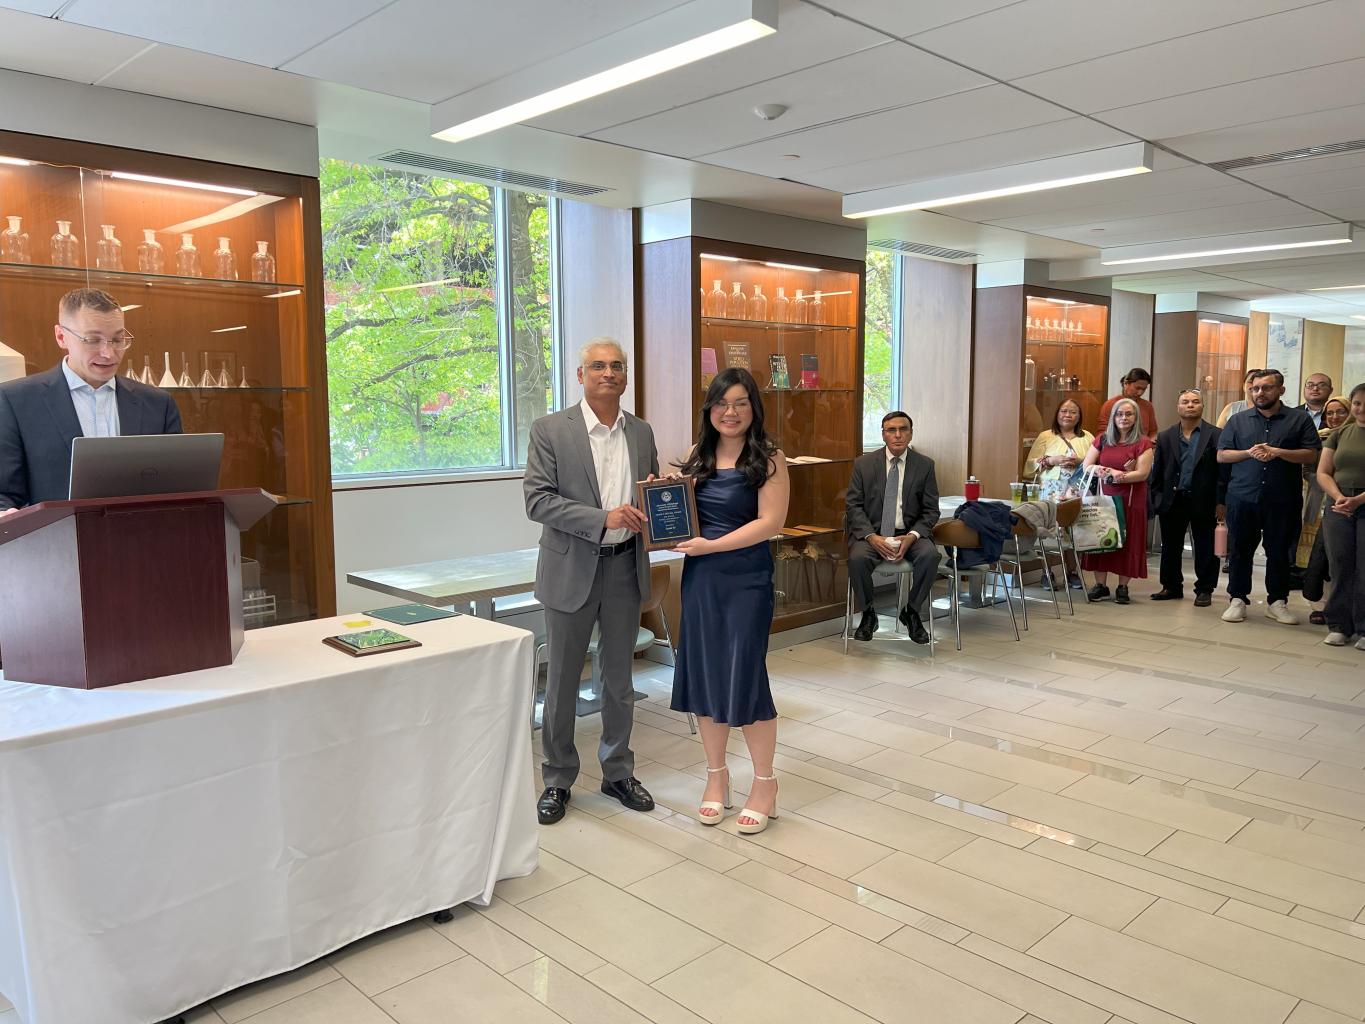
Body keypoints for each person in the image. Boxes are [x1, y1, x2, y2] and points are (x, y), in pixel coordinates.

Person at [523, 338, 658, 825]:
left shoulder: (640, 432)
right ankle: (557, 779)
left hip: (624, 566)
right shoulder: (550, 430)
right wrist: (603, 517)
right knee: (560, 681)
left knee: (619, 681)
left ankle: (618, 771)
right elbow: (537, 501)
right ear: (580, 375)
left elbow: (652, 492)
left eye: (617, 366)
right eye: (597, 366)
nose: (608, 373)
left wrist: (667, 511)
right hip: (570, 567)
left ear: (625, 376)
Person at [671, 367, 790, 834]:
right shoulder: (695, 456)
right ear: (710, 409)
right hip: (701, 580)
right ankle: (716, 777)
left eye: (740, 403)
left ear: (753, 408)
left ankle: (765, 784)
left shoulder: (770, 458)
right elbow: (680, 514)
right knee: (707, 677)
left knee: (746, 678)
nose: (731, 412)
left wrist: (712, 547)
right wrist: (662, 497)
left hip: (745, 580)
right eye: (722, 403)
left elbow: (770, 523)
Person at [0, 288, 182, 515]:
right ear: (61, 337)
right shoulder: (15, 401)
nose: (108, 353)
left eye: (117, 339)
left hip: (144, 540)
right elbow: (4, 495)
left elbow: (178, 488)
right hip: (57, 545)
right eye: (93, 340)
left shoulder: (159, 404)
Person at [1216, 370, 1321, 625]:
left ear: (1281, 390)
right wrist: (1249, 453)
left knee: (1280, 551)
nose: (1260, 393)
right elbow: (1222, 455)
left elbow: (1312, 454)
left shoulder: (1299, 420)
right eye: (1256, 389)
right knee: (1240, 550)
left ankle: (1277, 602)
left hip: (1282, 498)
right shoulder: (1238, 420)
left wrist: (1278, 452)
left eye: (1267, 388)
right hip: (1243, 496)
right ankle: (1237, 599)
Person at [844, 411, 940, 643]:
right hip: (873, 534)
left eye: (903, 429)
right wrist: (871, 536)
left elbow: (930, 510)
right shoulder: (863, 464)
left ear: (911, 433)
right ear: (884, 435)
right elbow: (853, 505)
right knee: (857, 558)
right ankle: (868, 613)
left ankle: (912, 611)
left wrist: (913, 536)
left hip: (909, 534)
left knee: (930, 556)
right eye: (891, 430)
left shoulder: (925, 465)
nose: (897, 435)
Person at [1149, 389, 1224, 606]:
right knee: (1170, 546)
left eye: (1195, 402)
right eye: (1185, 402)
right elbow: (1158, 471)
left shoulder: (1216, 434)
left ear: (1202, 406)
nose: (1190, 405)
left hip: (1205, 499)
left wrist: (1222, 501)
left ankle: (1204, 589)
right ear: (1178, 407)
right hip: (1173, 499)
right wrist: (1157, 498)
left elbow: (1223, 473)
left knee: (1205, 547)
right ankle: (1171, 586)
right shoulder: (1165, 436)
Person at [1081, 397, 1154, 604]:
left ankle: (1123, 587)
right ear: (1113, 417)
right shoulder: (1102, 439)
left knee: (1128, 541)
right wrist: (1103, 470)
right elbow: (1087, 466)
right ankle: (1101, 586)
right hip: (1104, 499)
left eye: (1128, 414)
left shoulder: (1143, 442)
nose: (1124, 418)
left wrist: (1116, 474)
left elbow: (1142, 474)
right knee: (1102, 539)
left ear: (1136, 417)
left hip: (1131, 501)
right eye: (1120, 414)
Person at [1024, 398, 1093, 588]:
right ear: (1057, 414)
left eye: (1073, 412)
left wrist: (1079, 461)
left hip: (1077, 489)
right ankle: (1047, 572)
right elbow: (1029, 467)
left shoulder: (1087, 437)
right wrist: (1051, 460)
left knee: (1075, 531)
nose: (1068, 415)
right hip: (1051, 489)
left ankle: (1072, 572)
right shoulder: (1046, 435)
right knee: (1050, 531)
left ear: (1079, 416)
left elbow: (1095, 463)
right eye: (1063, 411)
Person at [1316, 383, 1365, 649]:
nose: (1361, 409)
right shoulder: (1340, 433)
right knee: (1340, 564)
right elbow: (1324, 471)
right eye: (1357, 403)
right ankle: (1338, 625)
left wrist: (1359, 500)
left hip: (1362, 501)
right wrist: (1339, 497)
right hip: (1339, 503)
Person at [1304, 395, 1352, 624]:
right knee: (1320, 558)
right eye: (1329, 413)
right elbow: (1308, 468)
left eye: (1340, 412)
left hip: (1349, 503)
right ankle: (1321, 605)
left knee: (1340, 558)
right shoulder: (1319, 438)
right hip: (1319, 502)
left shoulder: (1354, 438)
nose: (1334, 417)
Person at [1098, 368, 1158, 440]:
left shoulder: (1148, 406)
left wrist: (1151, 443)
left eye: (1144, 389)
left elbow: (1153, 431)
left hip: (1143, 447)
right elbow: (1102, 434)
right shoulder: (1110, 405)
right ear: (1126, 384)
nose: (1140, 393)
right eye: (1137, 388)